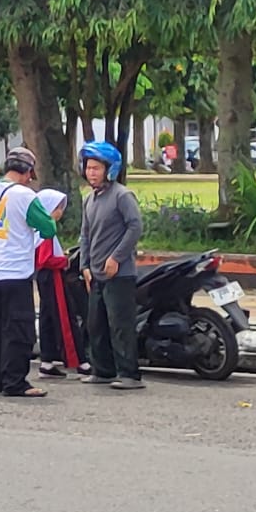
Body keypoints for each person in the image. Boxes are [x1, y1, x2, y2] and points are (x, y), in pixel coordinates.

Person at [0, 146, 58, 398]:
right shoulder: (25, 196)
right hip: (16, 273)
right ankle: (15, 382)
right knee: (18, 329)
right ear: (27, 171)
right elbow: (48, 228)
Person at [79, 141, 145, 390]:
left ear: (110, 169)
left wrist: (116, 257)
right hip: (96, 273)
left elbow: (135, 227)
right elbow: (85, 235)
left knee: (120, 325)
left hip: (120, 274)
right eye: (88, 168)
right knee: (96, 324)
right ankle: (103, 370)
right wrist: (84, 265)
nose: (91, 173)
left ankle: (129, 374)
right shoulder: (89, 199)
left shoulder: (122, 196)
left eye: (96, 168)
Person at [32, 189, 90, 380]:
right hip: (53, 276)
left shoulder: (37, 230)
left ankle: (47, 362)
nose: (60, 212)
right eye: (57, 208)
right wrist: (64, 261)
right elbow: (45, 259)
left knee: (48, 318)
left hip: (44, 277)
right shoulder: (47, 231)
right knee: (64, 317)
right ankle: (79, 361)